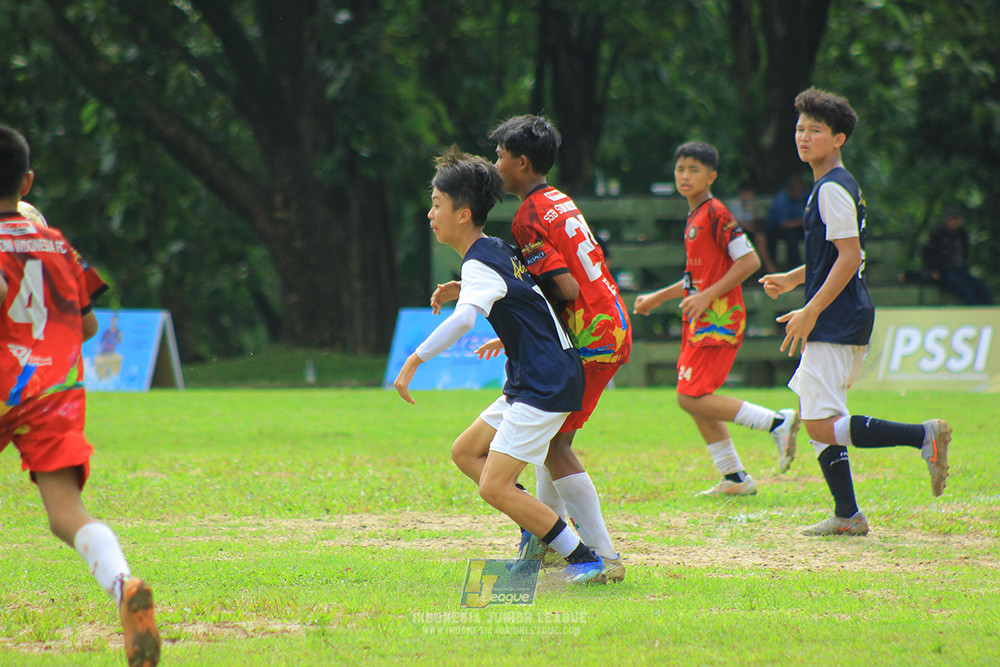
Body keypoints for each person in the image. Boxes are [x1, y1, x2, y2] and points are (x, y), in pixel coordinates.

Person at [395, 146, 606, 584]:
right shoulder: (493, 250)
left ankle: (585, 559)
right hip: (538, 376)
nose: (430, 214)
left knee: (494, 486)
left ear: (463, 214)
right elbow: (521, 298)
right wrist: (465, 289)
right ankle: (537, 527)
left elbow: (464, 320)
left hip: (544, 383)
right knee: (465, 452)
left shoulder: (481, 261)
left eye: (436, 204)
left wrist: (414, 360)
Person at [0, 126, 160, 664]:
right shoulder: (57, 243)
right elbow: (87, 326)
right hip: (53, 388)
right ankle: (123, 585)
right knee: (65, 511)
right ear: (26, 182)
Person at [759, 88, 952, 536]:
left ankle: (922, 435)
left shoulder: (831, 188)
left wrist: (809, 310)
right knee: (817, 412)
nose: (803, 137)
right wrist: (794, 279)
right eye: (800, 129)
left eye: (815, 130)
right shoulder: (832, 185)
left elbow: (850, 257)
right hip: (844, 312)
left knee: (819, 425)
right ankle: (847, 514)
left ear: (839, 138)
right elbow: (837, 255)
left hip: (837, 316)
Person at [472, 114, 631, 583]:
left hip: (590, 336)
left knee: (556, 446)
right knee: (550, 442)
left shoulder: (528, 216)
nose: (496, 164)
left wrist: (525, 322)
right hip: (610, 324)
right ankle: (546, 541)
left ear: (521, 162)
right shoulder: (558, 199)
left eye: (500, 156)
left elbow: (563, 287)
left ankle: (601, 555)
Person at [633, 141, 800, 497]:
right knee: (696, 397)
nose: (685, 176)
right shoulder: (695, 217)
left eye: (693, 170)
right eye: (680, 169)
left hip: (718, 320)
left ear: (711, 176)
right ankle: (735, 477)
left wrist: (708, 296)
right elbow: (695, 278)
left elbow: (750, 261)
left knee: (689, 397)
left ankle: (776, 422)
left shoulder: (715, 213)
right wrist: (657, 297)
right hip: (700, 319)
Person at [922, 207, 993, 305]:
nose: (954, 222)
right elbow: (926, 253)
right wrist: (931, 270)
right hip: (945, 273)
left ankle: (989, 311)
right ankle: (973, 309)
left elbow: (965, 253)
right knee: (965, 291)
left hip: (960, 271)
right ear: (946, 220)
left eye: (957, 219)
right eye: (952, 219)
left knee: (983, 289)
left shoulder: (962, 234)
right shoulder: (937, 234)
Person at [729, 180, 777, 273]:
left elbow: (754, 221)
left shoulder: (749, 204)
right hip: (738, 231)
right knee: (760, 238)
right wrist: (755, 231)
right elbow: (741, 223)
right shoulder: (735, 204)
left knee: (767, 236)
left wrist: (752, 211)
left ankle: (764, 265)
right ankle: (768, 265)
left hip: (749, 230)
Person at [766, 173, 808, 270]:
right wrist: (803, 221)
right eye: (798, 191)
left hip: (797, 226)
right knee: (791, 236)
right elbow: (784, 224)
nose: (800, 194)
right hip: (776, 230)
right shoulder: (781, 201)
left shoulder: (803, 196)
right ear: (791, 190)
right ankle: (795, 265)